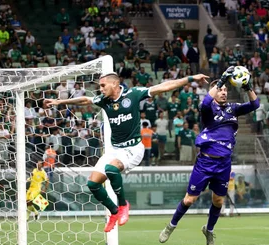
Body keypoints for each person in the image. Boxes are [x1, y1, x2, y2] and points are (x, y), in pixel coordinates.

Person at [44, 72, 209, 232]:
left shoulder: (134, 94)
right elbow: (85, 99)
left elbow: (164, 87)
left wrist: (190, 78)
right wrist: (60, 102)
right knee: (92, 184)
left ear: (114, 84)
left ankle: (123, 205)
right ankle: (114, 212)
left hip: (133, 149)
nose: (100, 89)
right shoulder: (104, 100)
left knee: (111, 169)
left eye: (103, 85)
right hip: (114, 150)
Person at [159, 67, 259, 245]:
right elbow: (205, 102)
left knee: (218, 201)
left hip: (224, 163)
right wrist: (221, 80)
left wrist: (248, 87)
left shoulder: (233, 109)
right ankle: (171, 226)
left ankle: (209, 230)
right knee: (189, 199)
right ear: (214, 92)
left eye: (225, 90)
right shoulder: (208, 109)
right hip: (205, 162)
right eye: (220, 90)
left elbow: (255, 105)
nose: (223, 92)